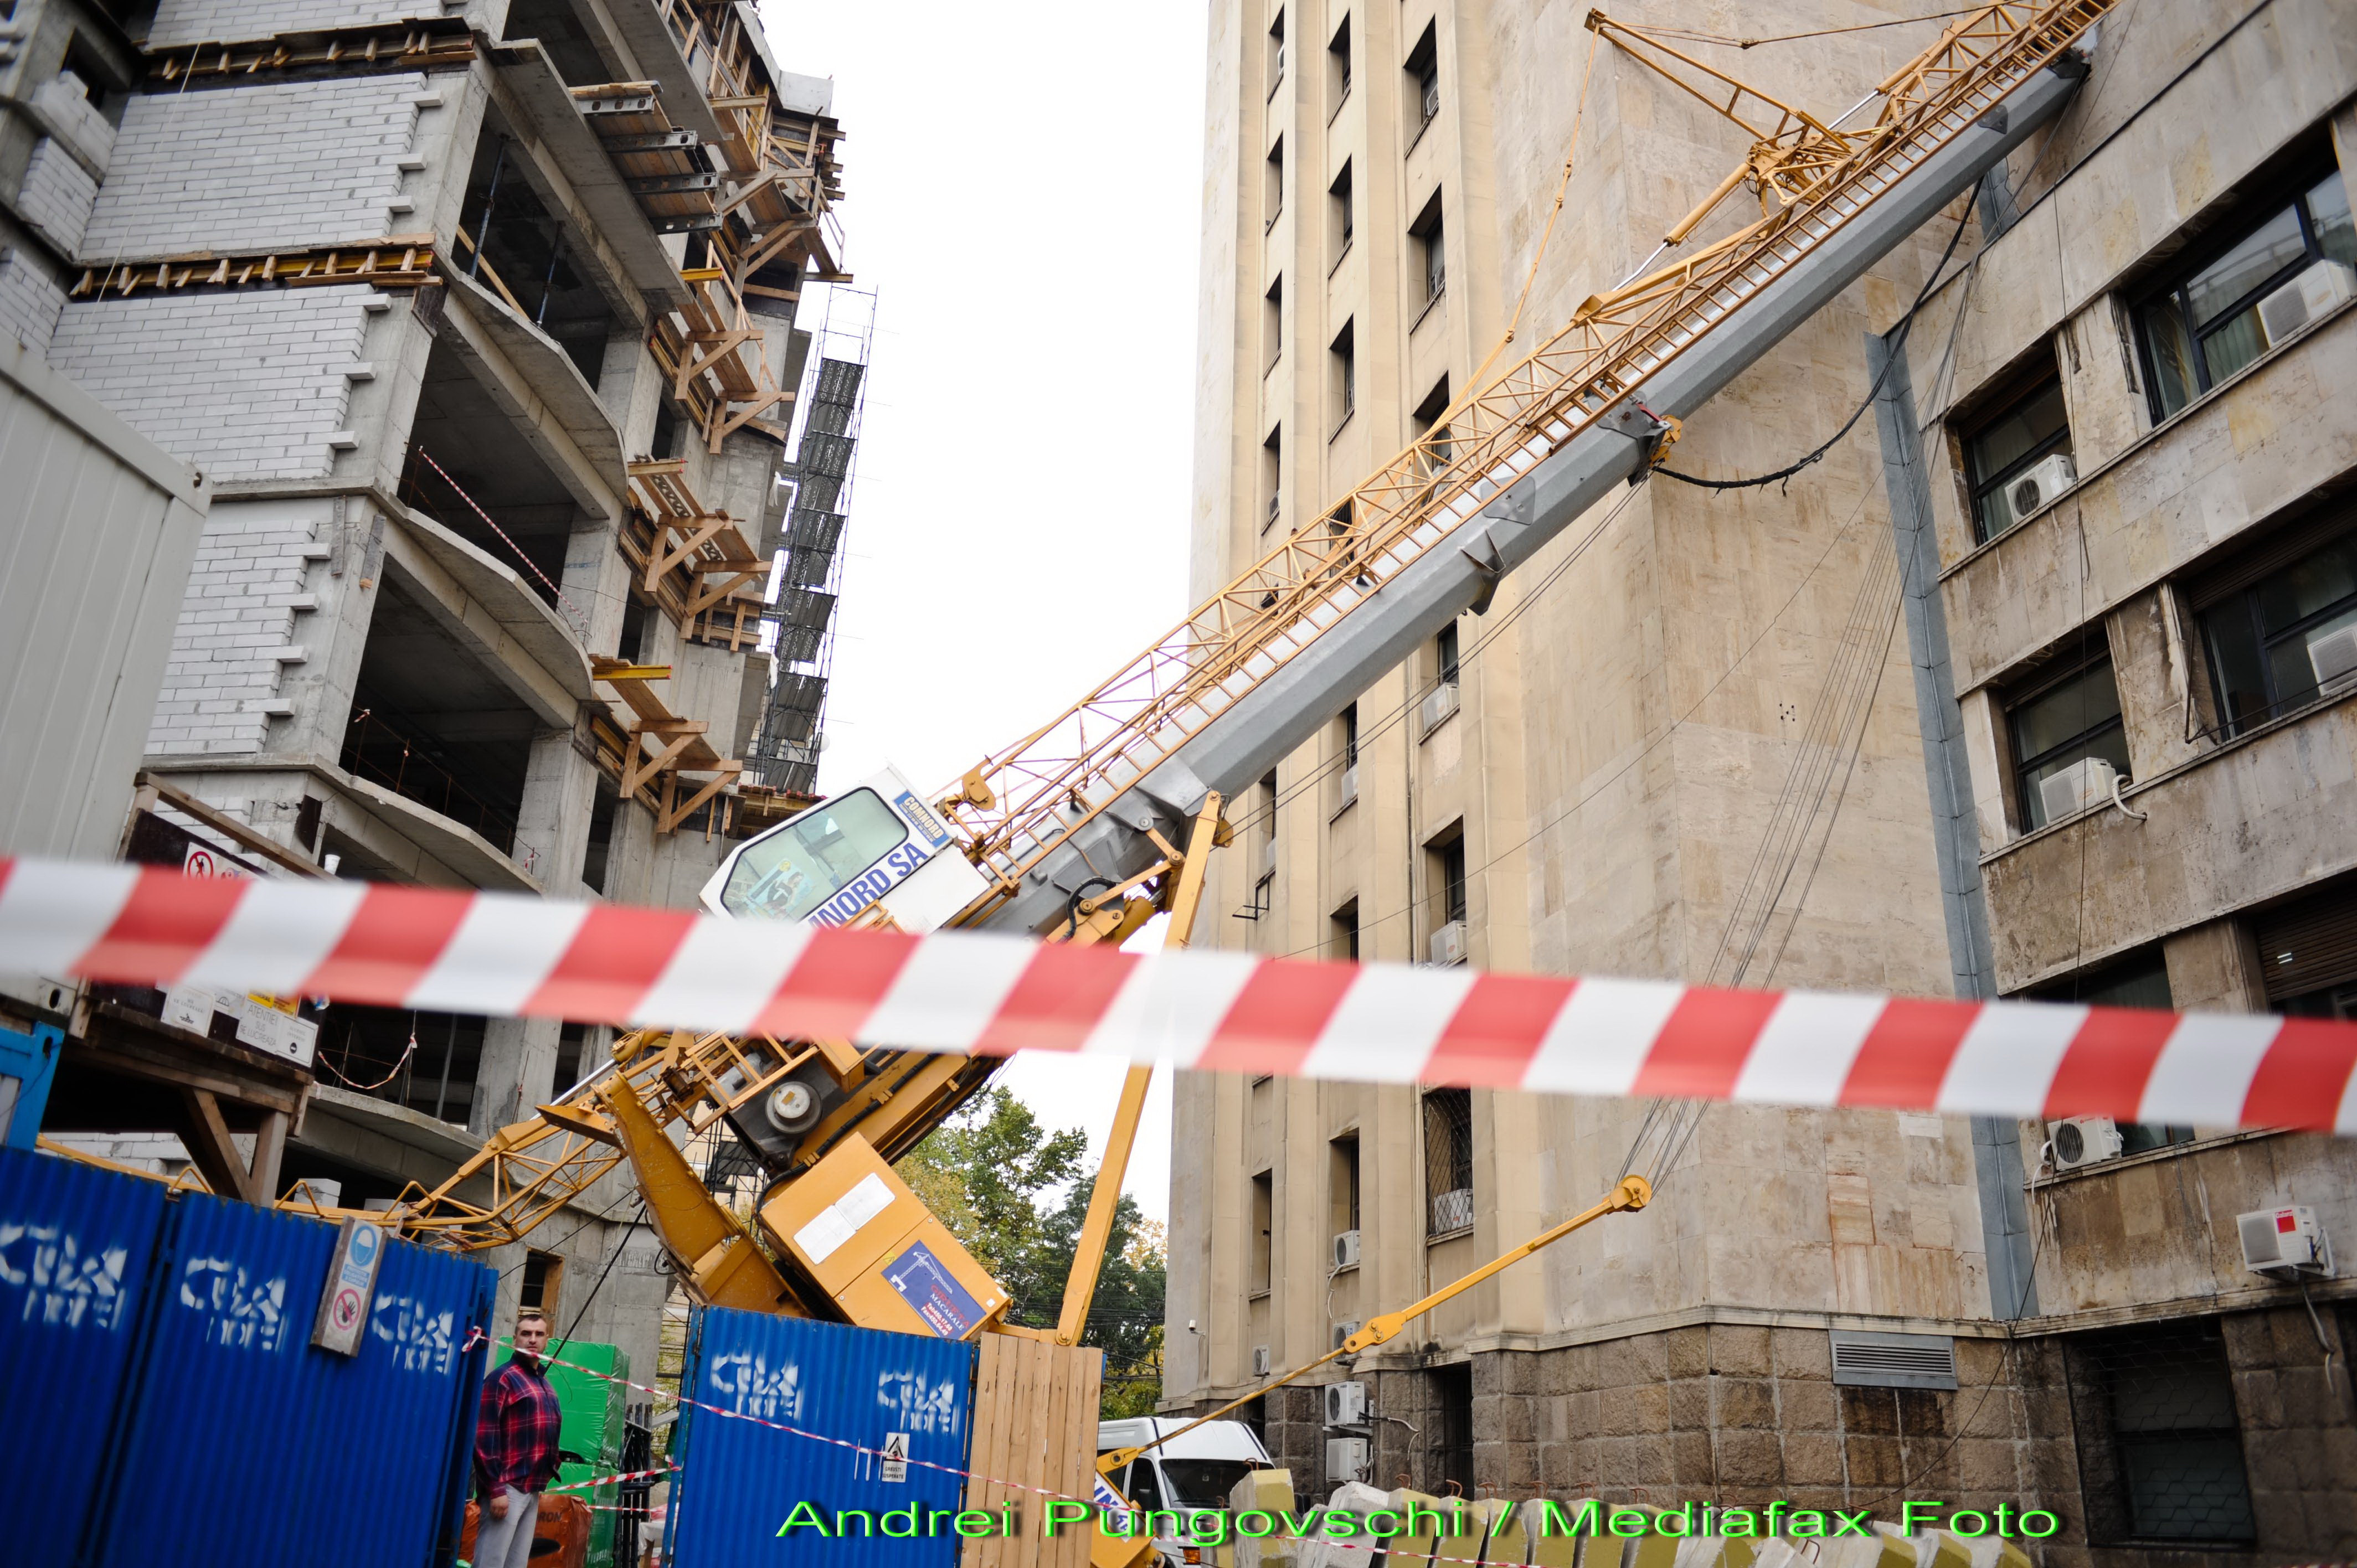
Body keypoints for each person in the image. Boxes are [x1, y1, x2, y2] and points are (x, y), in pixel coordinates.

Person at [474, 1308, 563, 1568]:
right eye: (526, 1334)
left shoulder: (543, 1383)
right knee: (492, 1561)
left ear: (547, 1341)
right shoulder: (502, 1378)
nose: (532, 1340)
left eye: (539, 1334)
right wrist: (496, 1489)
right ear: (515, 1339)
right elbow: (484, 1436)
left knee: (516, 1564)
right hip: (507, 1487)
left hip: (532, 1487)